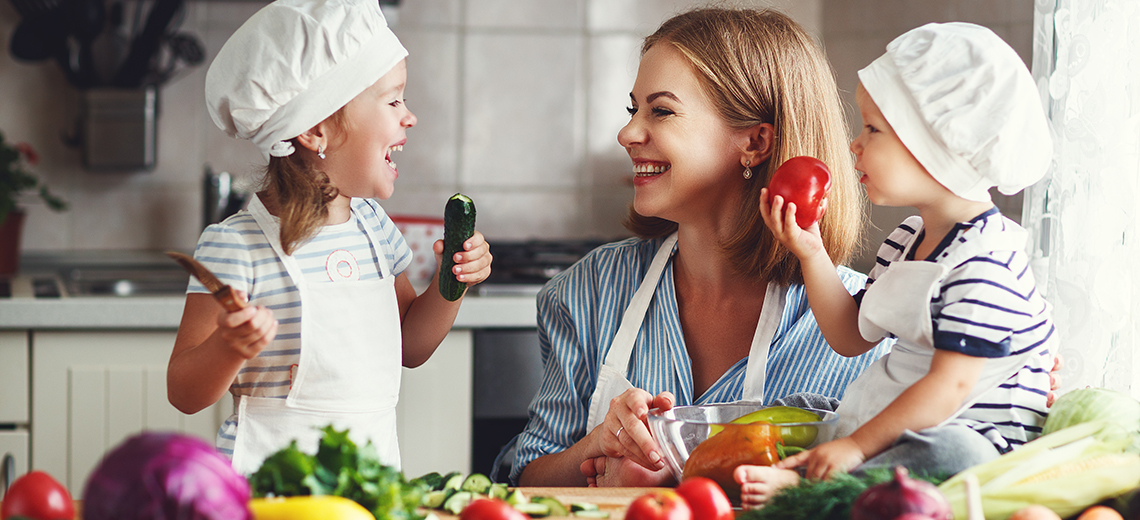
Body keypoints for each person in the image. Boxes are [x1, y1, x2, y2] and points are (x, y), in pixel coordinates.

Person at [509, 8, 893, 488]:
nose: (627, 133)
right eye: (634, 110)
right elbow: (522, 481)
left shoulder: (873, 325)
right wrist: (598, 445)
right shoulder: (589, 290)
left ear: (755, 142)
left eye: (661, 111)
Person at [166, 0, 492, 475]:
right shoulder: (238, 246)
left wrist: (452, 283)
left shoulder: (374, 227)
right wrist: (229, 349)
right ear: (317, 129)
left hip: (366, 488)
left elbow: (411, 349)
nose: (410, 117)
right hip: (265, 494)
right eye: (394, 100)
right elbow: (183, 393)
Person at [739, 22, 1056, 507]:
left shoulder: (987, 262)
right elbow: (849, 336)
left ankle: (817, 487)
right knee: (800, 408)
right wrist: (811, 250)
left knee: (956, 452)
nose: (854, 144)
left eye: (873, 129)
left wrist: (854, 447)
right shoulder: (909, 238)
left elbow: (949, 387)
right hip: (904, 419)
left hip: (970, 442)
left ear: (938, 147)